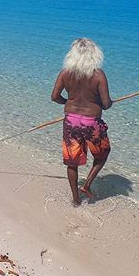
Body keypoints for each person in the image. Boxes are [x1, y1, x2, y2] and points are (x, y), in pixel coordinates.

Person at [50, 38, 113, 205]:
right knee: (102, 154)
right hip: (91, 123)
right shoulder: (98, 75)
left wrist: (68, 104)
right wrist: (108, 102)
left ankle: (76, 200)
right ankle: (86, 185)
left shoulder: (65, 73)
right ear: (94, 55)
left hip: (71, 121)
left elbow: (54, 97)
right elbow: (106, 105)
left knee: (72, 161)